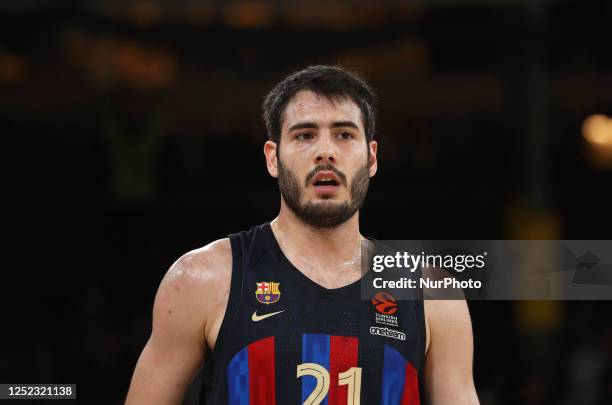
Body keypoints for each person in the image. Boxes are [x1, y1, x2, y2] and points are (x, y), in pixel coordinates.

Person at [125, 65, 479, 405]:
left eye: (344, 134)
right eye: (305, 135)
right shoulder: (203, 279)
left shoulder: (432, 294)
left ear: (371, 158)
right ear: (272, 157)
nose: (325, 152)